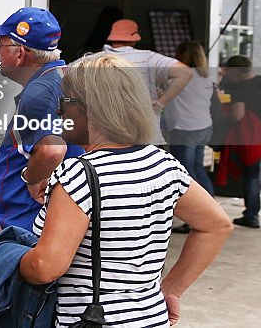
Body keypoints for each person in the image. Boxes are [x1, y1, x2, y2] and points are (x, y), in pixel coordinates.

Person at [19, 54, 232, 326]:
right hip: (151, 319)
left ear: (93, 110)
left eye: (66, 100)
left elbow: (45, 267)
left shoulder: (80, 174)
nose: (59, 110)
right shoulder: (164, 165)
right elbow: (217, 225)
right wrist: (171, 289)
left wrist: (8, 260)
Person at [0, 7, 75, 231]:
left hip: (25, 221)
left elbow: (52, 150)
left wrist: (31, 178)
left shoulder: (40, 91)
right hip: (43, 217)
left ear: (20, 53)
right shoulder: (63, 79)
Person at [98, 18, 193, 145]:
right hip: (146, 135)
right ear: (135, 37)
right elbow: (185, 73)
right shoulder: (148, 58)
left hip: (107, 136)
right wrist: (160, 104)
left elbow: (63, 75)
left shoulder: (93, 60)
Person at [166, 41, 215, 197]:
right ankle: (211, 206)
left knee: (186, 173)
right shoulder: (206, 78)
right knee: (198, 168)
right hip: (204, 127)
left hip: (185, 129)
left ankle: (199, 212)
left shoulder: (178, 77)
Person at [217, 55, 261, 229]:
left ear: (234, 70)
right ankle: (251, 214)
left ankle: (251, 216)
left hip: (250, 138)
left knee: (251, 176)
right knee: (255, 175)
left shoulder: (238, 89)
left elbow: (237, 115)